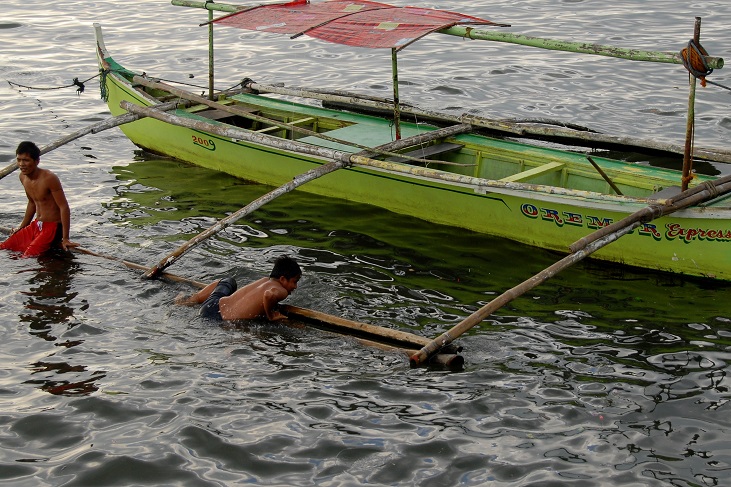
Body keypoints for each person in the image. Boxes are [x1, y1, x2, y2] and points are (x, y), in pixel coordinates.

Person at [0, 141, 79, 257]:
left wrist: (65, 238)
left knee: (27, 256)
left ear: (36, 161)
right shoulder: (23, 177)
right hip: (37, 224)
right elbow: (32, 203)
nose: (22, 164)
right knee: (4, 247)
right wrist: (22, 227)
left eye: (26, 160)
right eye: (19, 160)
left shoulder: (49, 178)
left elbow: (64, 207)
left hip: (53, 227)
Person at [175, 256, 301, 321]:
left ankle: (192, 299)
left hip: (211, 305)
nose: (295, 287)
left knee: (228, 281)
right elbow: (269, 295)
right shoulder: (281, 290)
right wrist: (271, 315)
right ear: (283, 279)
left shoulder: (264, 280)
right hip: (220, 319)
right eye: (295, 282)